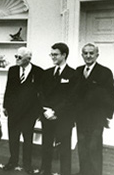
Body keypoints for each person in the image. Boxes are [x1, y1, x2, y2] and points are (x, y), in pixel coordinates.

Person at [73, 43, 114, 175]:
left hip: (97, 117)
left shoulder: (105, 72)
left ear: (97, 55)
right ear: (82, 55)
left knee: (94, 147)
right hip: (80, 117)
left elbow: (110, 95)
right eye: (85, 53)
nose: (88, 56)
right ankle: (83, 172)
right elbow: (74, 94)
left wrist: (107, 115)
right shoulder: (78, 71)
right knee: (82, 146)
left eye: (91, 53)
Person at [36, 43, 75, 175]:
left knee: (64, 147)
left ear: (64, 55)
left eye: (55, 54)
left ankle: (65, 172)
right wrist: (46, 110)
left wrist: (55, 111)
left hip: (63, 117)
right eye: (51, 54)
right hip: (47, 115)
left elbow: (71, 97)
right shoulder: (46, 73)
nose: (52, 57)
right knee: (46, 144)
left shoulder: (73, 74)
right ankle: (44, 169)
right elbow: (41, 93)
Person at [3, 47, 43, 174]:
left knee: (27, 140)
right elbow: (8, 89)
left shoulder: (38, 72)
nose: (16, 59)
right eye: (16, 56)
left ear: (28, 59)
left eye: (19, 57)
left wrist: (37, 112)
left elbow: (41, 94)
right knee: (13, 138)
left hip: (29, 113)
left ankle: (27, 164)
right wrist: (5, 106)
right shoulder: (12, 70)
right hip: (13, 111)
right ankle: (13, 160)